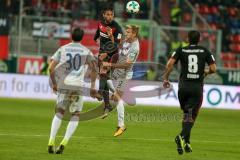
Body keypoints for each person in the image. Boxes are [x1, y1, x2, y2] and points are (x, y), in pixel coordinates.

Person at [163, 30, 216, 155]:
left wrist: (166, 78)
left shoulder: (181, 50)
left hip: (183, 87)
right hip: (196, 88)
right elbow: (213, 68)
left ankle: (187, 143)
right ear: (199, 39)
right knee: (191, 116)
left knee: (187, 113)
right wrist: (206, 73)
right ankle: (181, 136)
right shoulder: (205, 51)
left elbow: (170, 63)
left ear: (187, 39)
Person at [47, 28, 97, 154]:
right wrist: (92, 87)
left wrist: (54, 84)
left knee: (59, 112)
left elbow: (51, 68)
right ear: (82, 37)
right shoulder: (86, 51)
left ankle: (51, 141)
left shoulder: (62, 49)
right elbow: (94, 69)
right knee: (76, 114)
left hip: (63, 85)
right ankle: (64, 142)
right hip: (77, 87)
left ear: (71, 36)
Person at [102, 25, 140, 137]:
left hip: (125, 74)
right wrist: (111, 37)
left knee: (118, 98)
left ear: (134, 34)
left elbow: (127, 65)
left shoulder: (135, 47)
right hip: (117, 72)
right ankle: (110, 103)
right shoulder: (126, 40)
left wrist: (110, 64)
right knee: (110, 88)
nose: (126, 34)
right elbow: (119, 46)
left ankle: (121, 125)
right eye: (126, 31)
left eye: (128, 32)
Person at [94, 6, 123, 116]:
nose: (110, 16)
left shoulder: (117, 28)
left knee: (103, 72)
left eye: (112, 14)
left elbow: (117, 44)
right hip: (102, 53)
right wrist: (95, 38)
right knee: (104, 79)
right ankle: (107, 105)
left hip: (112, 55)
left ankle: (100, 93)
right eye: (108, 14)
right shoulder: (100, 24)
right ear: (104, 15)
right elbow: (98, 33)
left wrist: (107, 53)